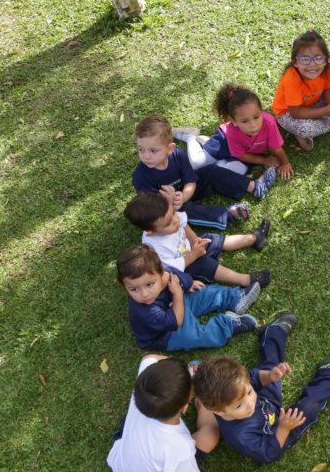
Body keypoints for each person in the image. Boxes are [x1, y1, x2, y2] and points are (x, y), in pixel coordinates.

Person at [192, 313, 330, 463]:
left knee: (273, 368)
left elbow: (255, 378)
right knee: (307, 409)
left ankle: (273, 333)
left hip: (268, 401)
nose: (250, 403)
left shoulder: (239, 388)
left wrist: (269, 376)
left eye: (249, 392)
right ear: (220, 411)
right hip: (277, 432)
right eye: (239, 405)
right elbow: (269, 454)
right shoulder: (241, 436)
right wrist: (284, 427)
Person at [106, 355, 222, 472]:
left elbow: (148, 358)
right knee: (210, 435)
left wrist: (176, 374)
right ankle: (204, 406)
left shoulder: (144, 389)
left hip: (119, 460)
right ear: (185, 407)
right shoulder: (180, 450)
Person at [132, 114, 270, 230]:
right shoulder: (141, 176)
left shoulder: (178, 155)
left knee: (211, 171)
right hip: (168, 207)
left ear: (170, 149)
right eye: (141, 149)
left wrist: (184, 196)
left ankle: (254, 187)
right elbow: (154, 212)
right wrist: (173, 202)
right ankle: (226, 214)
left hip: (184, 193)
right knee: (184, 210)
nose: (146, 156)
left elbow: (190, 181)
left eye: (153, 150)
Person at [116, 244, 260, 351]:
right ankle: (228, 324)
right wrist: (178, 293)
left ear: (160, 273)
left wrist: (188, 283)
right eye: (134, 289)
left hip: (175, 302)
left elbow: (177, 275)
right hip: (166, 334)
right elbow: (176, 321)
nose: (144, 294)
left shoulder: (165, 274)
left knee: (201, 292)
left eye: (149, 284)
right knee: (193, 337)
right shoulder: (144, 311)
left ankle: (235, 298)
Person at [124, 192, 272, 290]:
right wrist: (195, 254)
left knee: (215, 239)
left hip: (190, 244)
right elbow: (176, 267)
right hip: (186, 265)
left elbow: (183, 223)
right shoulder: (155, 249)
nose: (175, 220)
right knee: (207, 265)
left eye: (173, 214)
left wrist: (195, 239)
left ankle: (254, 239)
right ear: (152, 232)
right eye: (168, 223)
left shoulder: (171, 218)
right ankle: (245, 280)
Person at [271, 30, 330, 151]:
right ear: (295, 62)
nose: (312, 65)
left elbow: (328, 90)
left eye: (318, 58)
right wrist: (326, 111)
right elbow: (295, 113)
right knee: (305, 128)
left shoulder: (326, 69)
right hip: (288, 114)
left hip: (312, 102)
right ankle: (306, 132)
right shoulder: (291, 79)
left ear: (325, 60)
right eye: (305, 60)